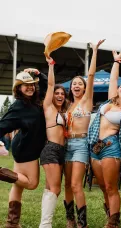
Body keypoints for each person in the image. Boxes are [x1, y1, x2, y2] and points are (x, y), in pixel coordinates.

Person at [88, 51, 121, 228]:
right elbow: (114, 80)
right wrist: (116, 62)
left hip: (111, 147)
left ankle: (112, 224)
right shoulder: (109, 102)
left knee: (111, 187)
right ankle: (112, 216)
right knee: (102, 186)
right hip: (95, 148)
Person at [64, 40, 104, 228]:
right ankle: (70, 219)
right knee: (67, 186)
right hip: (66, 145)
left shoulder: (86, 101)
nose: (76, 86)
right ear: (70, 88)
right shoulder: (68, 105)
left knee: (75, 185)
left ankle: (82, 223)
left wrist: (94, 51)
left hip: (80, 145)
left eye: (80, 84)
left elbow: (91, 74)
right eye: (74, 84)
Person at [0, 69, 47, 227]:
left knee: (18, 184)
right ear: (18, 88)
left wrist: (39, 75)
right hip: (26, 148)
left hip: (27, 145)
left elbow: (47, 87)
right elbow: (3, 125)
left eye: (32, 85)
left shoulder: (35, 100)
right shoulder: (19, 106)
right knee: (32, 183)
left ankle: (12, 223)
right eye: (25, 85)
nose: (30, 87)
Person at [39, 56, 69, 227]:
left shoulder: (63, 113)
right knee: (55, 188)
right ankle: (45, 225)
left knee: (50, 187)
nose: (59, 95)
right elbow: (50, 85)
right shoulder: (49, 108)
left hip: (61, 151)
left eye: (62, 94)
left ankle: (44, 224)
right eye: (57, 93)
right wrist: (51, 66)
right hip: (51, 149)